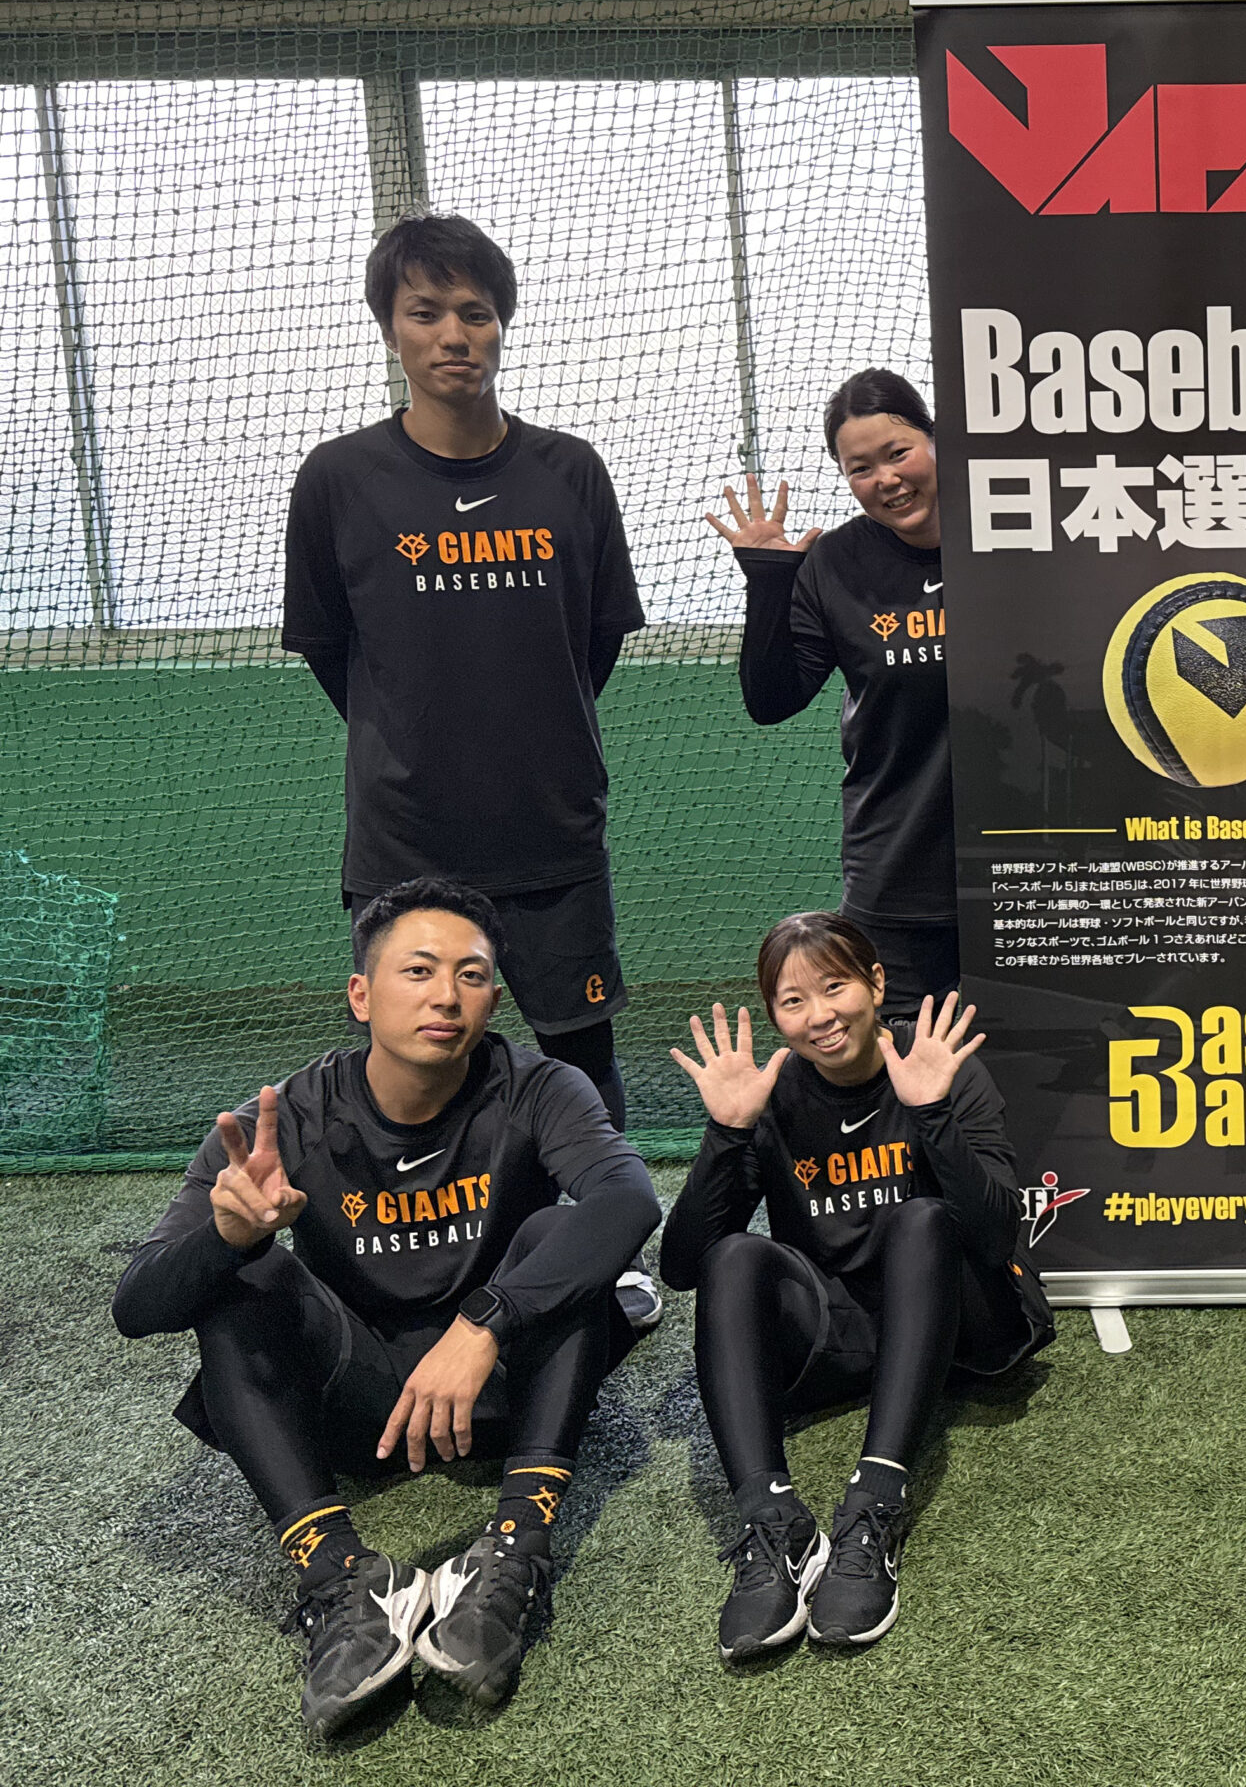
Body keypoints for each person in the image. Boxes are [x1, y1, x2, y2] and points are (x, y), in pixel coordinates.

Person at [110, 880, 661, 1735]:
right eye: (419, 971)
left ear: (493, 1001)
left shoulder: (539, 1086)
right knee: (244, 1279)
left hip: (501, 1390)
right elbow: (136, 1304)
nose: (447, 996)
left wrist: (486, 1320)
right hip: (360, 1408)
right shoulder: (287, 1118)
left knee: (562, 1236)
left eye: (472, 976)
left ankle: (514, 1551)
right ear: (361, 996)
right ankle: (343, 1579)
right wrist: (228, 1238)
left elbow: (628, 1199)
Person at [280, 213, 659, 1329]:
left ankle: (596, 1256)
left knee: (578, 1056)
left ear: (502, 325)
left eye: (475, 313)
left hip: (551, 834)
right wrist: (415, 741)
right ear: (390, 329)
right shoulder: (338, 479)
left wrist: (529, 742)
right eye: (427, 312)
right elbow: (333, 653)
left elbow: (595, 642)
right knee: (414, 1063)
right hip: (405, 844)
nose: (454, 334)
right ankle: (416, 1278)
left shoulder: (569, 473)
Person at [660, 912, 1052, 1662]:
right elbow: (684, 1268)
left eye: (834, 987)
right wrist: (728, 1134)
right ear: (774, 1015)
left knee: (921, 1219)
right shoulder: (775, 1094)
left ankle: (874, 1505)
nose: (820, 1016)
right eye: (793, 1001)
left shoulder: (936, 1065)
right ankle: (773, 1522)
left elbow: (998, 1235)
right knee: (736, 1256)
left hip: (964, 1320)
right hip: (844, 1331)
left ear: (875, 983)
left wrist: (932, 1113)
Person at [707, 370, 958, 1011]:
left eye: (898, 453)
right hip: (897, 879)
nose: (886, 479)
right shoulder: (836, 563)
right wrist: (768, 579)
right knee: (900, 1066)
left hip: (1030, 871)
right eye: (860, 468)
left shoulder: (1024, 535)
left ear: (936, 441)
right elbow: (772, 701)